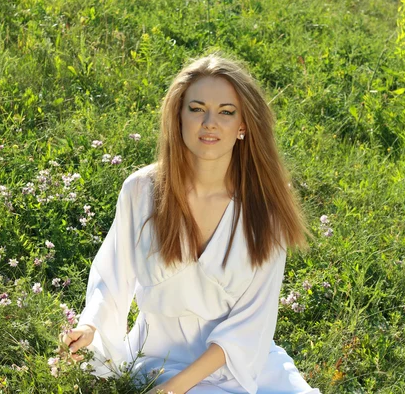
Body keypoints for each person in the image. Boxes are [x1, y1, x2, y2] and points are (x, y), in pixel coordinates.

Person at [60, 53, 321, 394]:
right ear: (178, 116)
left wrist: (173, 391)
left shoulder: (264, 212)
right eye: (197, 109)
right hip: (160, 362)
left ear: (243, 126)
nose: (209, 122)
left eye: (226, 112)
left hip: (243, 365)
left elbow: (250, 326)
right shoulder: (141, 191)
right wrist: (90, 326)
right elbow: (112, 277)